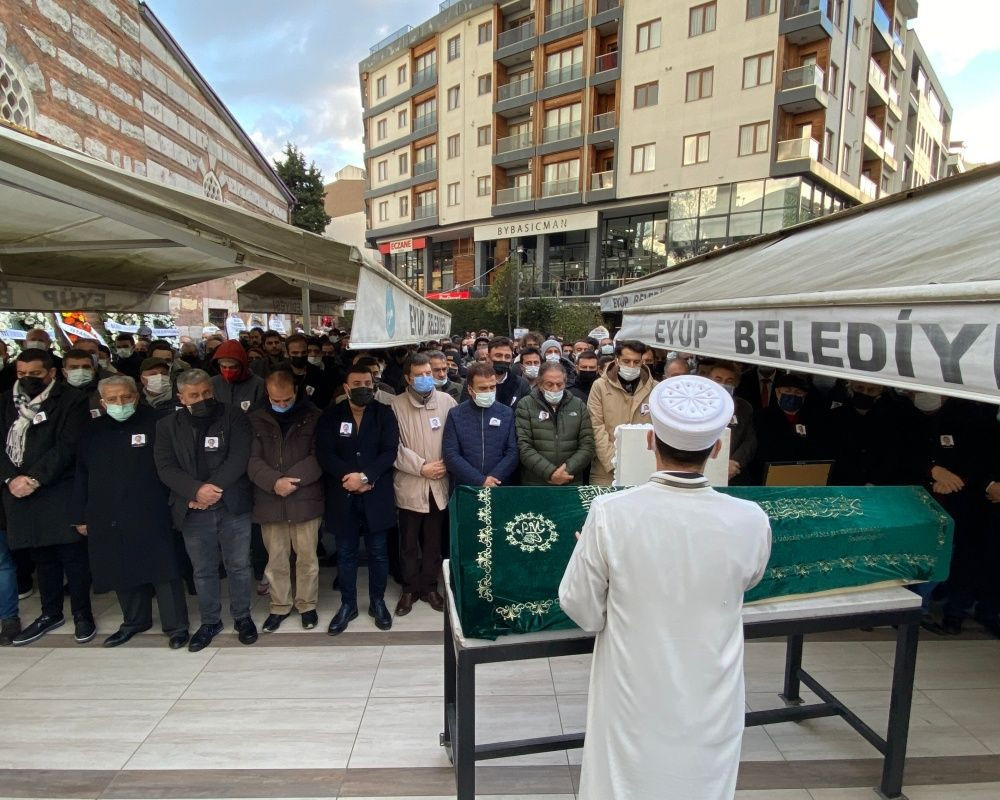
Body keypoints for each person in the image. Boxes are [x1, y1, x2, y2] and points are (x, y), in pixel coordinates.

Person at [559, 375, 771, 800]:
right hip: (711, 687)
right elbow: (749, 578)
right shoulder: (750, 517)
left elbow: (580, 607)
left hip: (633, 687)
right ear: (716, 448)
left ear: (650, 441)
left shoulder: (610, 514)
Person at [73, 376, 189, 649]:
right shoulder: (91, 431)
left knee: (164, 569)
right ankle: (135, 621)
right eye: (112, 400)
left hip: (153, 508)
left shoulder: (158, 422)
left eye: (125, 397)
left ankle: (176, 626)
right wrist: (80, 515)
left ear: (136, 396)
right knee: (120, 565)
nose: (120, 403)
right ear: (102, 403)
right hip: (107, 511)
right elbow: (81, 474)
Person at [153, 369, 258, 651]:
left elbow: (239, 456)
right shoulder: (166, 426)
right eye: (194, 395)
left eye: (207, 393)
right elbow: (165, 467)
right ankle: (210, 621)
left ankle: (242, 616)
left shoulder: (233, 415)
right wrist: (195, 491)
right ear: (181, 397)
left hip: (231, 504)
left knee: (238, 565)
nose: (202, 399)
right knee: (203, 570)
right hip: (192, 509)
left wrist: (211, 489)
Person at [1, 350, 92, 646]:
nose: (27, 380)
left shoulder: (71, 400)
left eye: (35, 375)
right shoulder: (5, 401)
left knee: (72, 556)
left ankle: (82, 614)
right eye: (22, 374)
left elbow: (67, 446)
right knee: (41, 557)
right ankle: (50, 612)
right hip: (18, 492)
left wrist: (35, 478)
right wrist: (10, 479)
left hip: (58, 488)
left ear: (51, 373)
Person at [316, 365, 400, 633]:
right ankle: (348, 605)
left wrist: (365, 477)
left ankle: (377, 602)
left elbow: (389, 451)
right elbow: (325, 453)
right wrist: (349, 477)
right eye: (357, 383)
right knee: (346, 554)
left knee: (378, 553)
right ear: (346, 387)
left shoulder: (385, 414)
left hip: (376, 494)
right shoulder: (331, 416)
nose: (364, 386)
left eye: (368, 382)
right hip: (343, 495)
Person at [247, 371, 324, 633]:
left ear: (296, 391)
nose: (282, 404)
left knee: (307, 558)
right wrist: (274, 482)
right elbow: (251, 459)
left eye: (287, 399)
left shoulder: (313, 416)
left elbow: (319, 455)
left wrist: (293, 481)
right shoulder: (255, 419)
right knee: (276, 558)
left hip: (304, 496)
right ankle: (279, 606)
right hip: (270, 498)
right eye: (275, 400)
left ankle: (307, 605)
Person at [390, 353, 456, 615]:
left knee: (433, 540)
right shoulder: (395, 405)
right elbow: (392, 447)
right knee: (407, 541)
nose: (427, 378)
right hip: (410, 482)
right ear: (408, 378)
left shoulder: (447, 401)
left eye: (429, 373)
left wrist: (444, 463)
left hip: (439, 481)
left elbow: (455, 438)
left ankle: (430, 586)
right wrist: (420, 466)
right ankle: (409, 589)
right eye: (420, 375)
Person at [587, 340, 657, 487]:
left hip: (644, 467)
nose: (631, 366)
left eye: (636, 362)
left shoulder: (655, 388)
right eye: (626, 361)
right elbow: (596, 426)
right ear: (617, 360)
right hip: (606, 470)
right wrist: (614, 461)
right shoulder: (600, 386)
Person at [515, 361, 594, 486]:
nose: (555, 389)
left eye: (559, 384)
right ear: (540, 384)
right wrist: (550, 473)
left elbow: (587, 445)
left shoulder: (578, 405)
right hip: (536, 482)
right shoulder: (525, 405)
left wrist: (565, 471)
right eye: (549, 384)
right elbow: (523, 446)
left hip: (570, 480)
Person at [442, 362, 519, 490]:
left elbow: (512, 452)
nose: (489, 392)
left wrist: (493, 477)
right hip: (466, 487)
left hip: (498, 485)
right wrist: (479, 480)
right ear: (470, 389)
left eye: (492, 387)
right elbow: (451, 453)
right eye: (483, 388)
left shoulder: (506, 413)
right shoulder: (456, 414)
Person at [751, 372, 829, 483]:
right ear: (777, 392)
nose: (793, 395)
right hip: (770, 476)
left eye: (798, 393)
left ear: (804, 395)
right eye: (787, 391)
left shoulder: (815, 418)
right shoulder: (761, 416)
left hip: (805, 477)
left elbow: (818, 448)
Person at [706, 361, 757, 484]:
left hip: (734, 473)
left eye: (729, 381)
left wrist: (734, 462)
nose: (723, 384)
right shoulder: (697, 405)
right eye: (718, 379)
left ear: (736, 383)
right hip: (704, 468)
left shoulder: (744, 408)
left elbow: (750, 441)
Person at [211, 340, 266, 413]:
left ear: (242, 366)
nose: (228, 371)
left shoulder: (258, 384)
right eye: (223, 367)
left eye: (233, 367)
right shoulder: (213, 383)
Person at [284, 333, 334, 408]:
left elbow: (325, 401)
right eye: (295, 353)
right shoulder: (279, 373)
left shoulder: (319, 375)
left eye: (303, 352)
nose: (300, 356)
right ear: (287, 354)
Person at [479, 337, 531, 408]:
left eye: (507, 357)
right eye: (498, 356)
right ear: (488, 357)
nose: (503, 360)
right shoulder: (475, 381)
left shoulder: (521, 384)